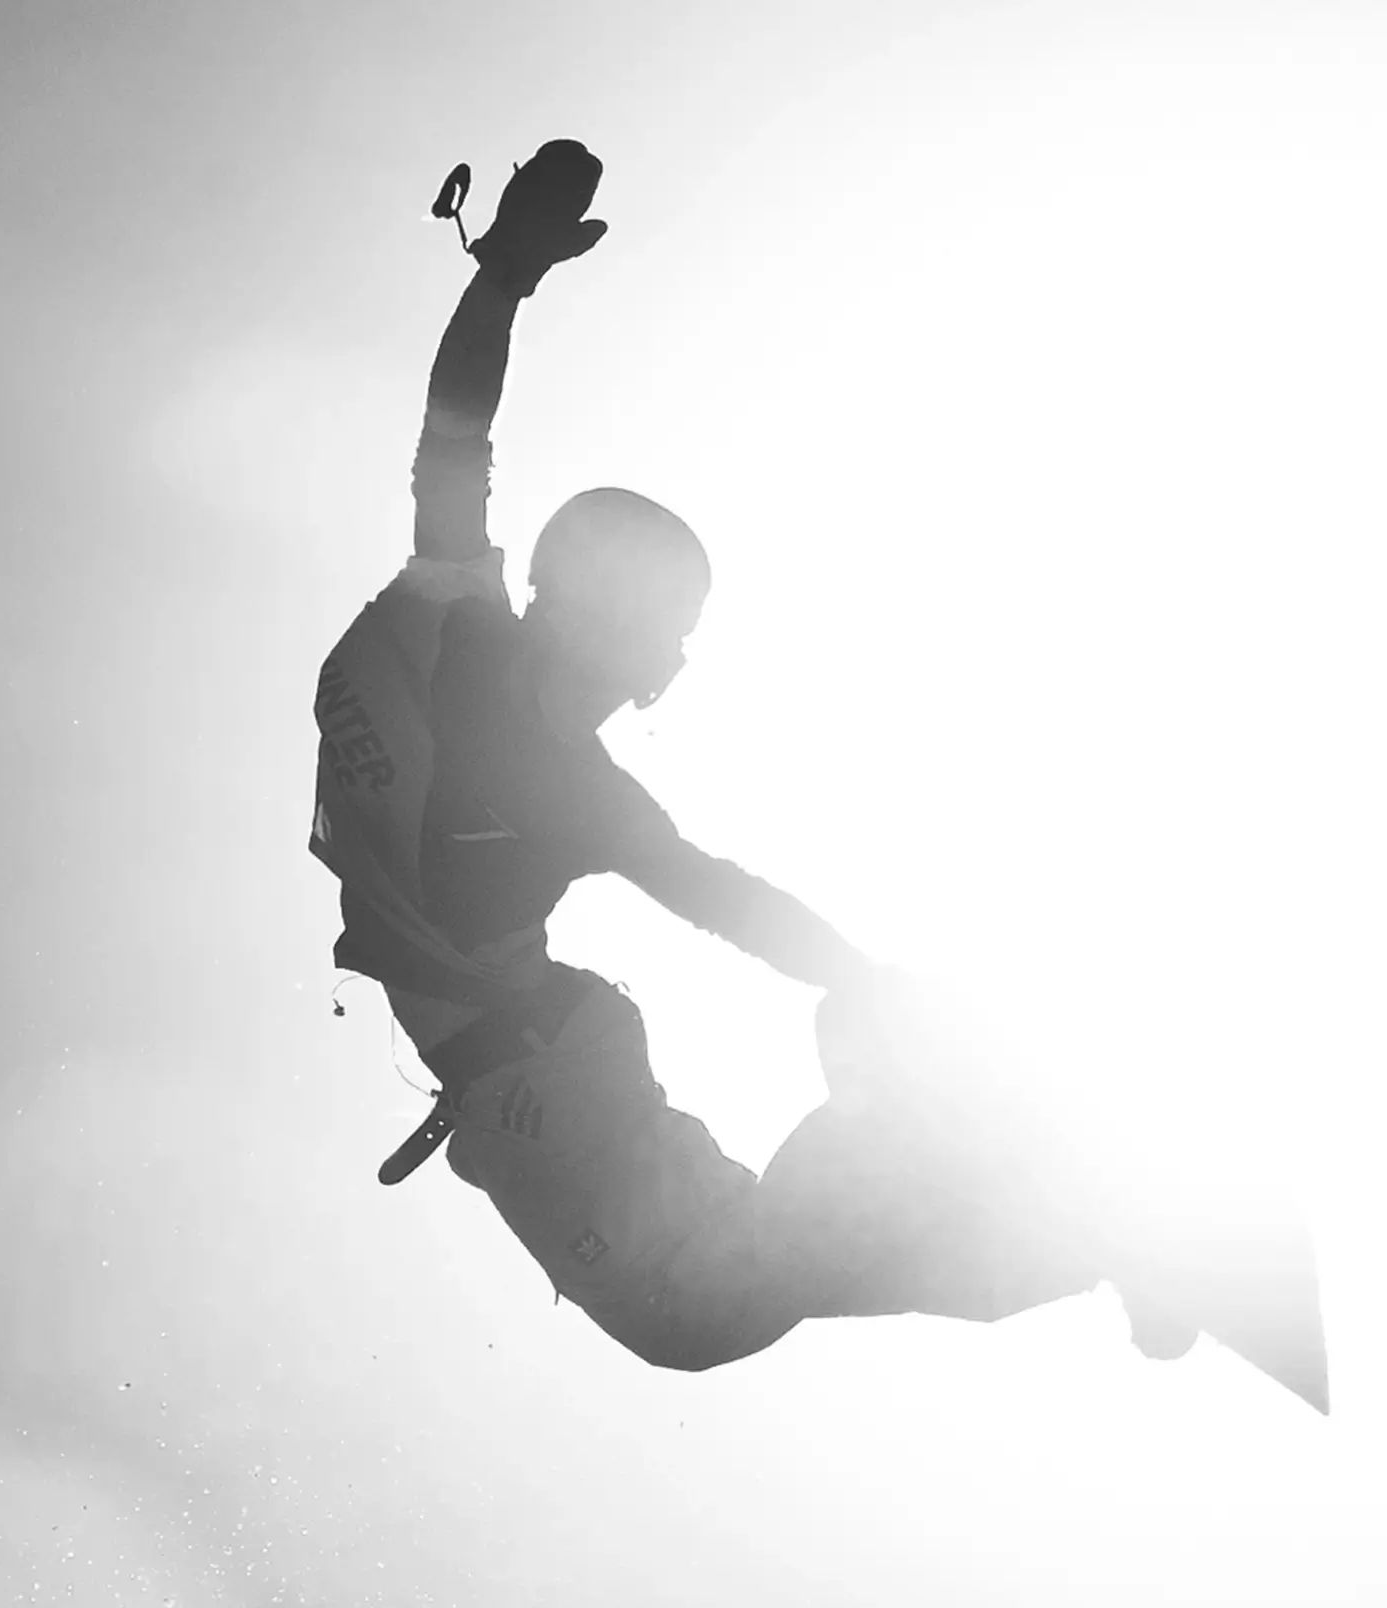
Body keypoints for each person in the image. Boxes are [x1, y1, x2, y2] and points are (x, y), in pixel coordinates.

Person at [307, 139, 1179, 1373]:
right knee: (751, 1284)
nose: (650, 682)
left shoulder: (501, 674)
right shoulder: (505, 696)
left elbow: (457, 430)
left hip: (559, 1067)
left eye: (659, 658)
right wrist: (500, 273)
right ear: (594, 617)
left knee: (781, 1268)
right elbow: (456, 432)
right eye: (652, 648)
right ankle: (1083, 1224)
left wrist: (865, 989)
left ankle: (1082, 1223)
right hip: (539, 1089)